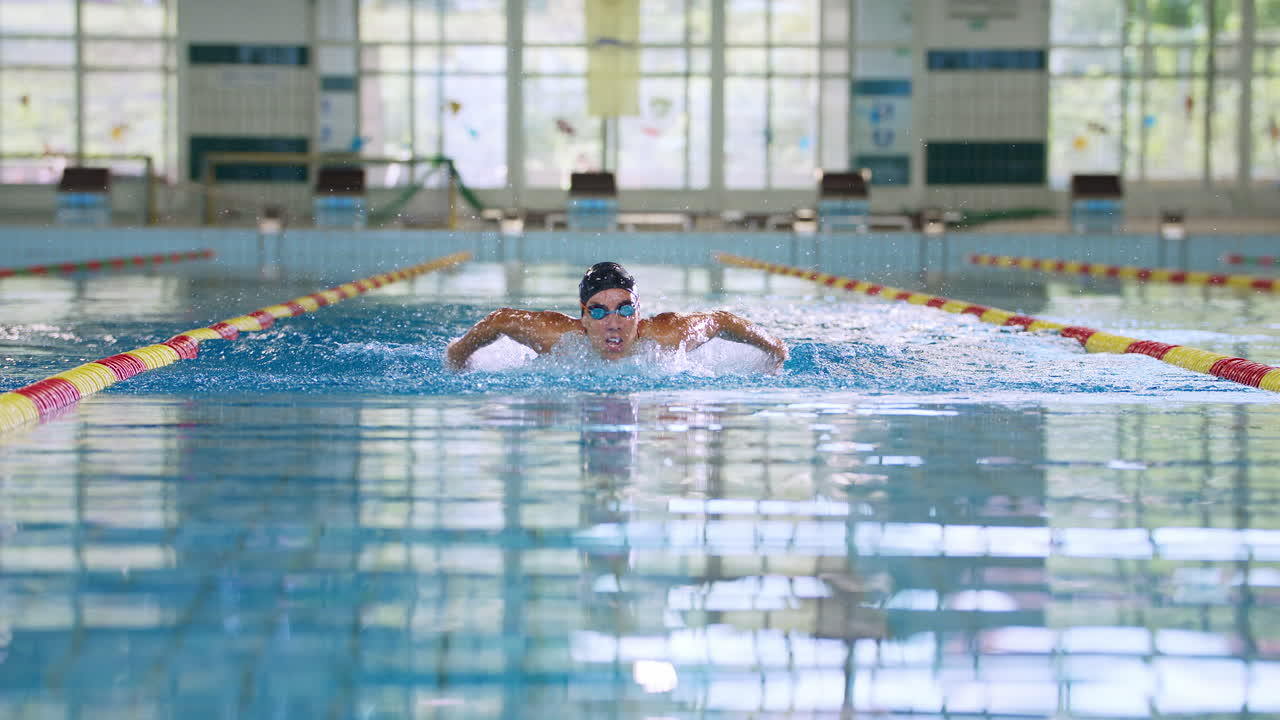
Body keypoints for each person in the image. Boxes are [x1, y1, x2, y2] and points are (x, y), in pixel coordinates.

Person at [446, 261, 789, 372]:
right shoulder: (557, 337)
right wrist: (458, 357)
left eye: (625, 308)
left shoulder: (665, 338)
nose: (614, 321)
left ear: (638, 313)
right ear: (583, 318)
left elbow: (722, 320)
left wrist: (775, 349)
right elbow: (500, 319)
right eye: (599, 310)